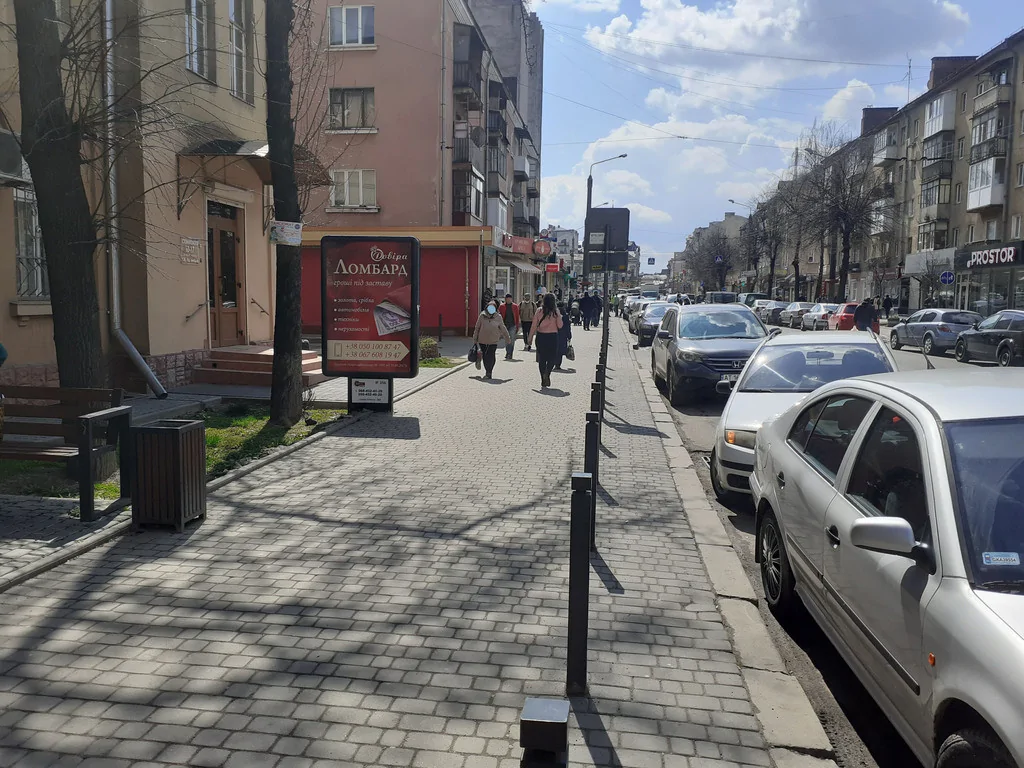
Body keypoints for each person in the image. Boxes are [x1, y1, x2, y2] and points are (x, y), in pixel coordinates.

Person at [528, 293, 563, 388]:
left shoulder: (539, 311)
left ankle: (543, 378)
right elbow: (560, 325)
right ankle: (547, 373)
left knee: (542, 359)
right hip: (552, 337)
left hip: (541, 337)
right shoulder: (556, 312)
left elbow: (534, 325)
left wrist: (530, 338)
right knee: (552, 358)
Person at [472, 300, 512, 379]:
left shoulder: (498, 317)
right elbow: (477, 327)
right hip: (482, 340)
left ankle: (489, 372)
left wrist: (507, 338)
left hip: (493, 340)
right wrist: (475, 338)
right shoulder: (482, 315)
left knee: (491, 356)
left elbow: (503, 328)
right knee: (485, 356)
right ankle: (487, 370)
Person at [498, 293, 520, 360]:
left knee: (512, 340)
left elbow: (517, 317)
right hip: (505, 325)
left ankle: (510, 353)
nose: (508, 300)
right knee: (506, 340)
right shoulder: (502, 306)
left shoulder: (515, 306)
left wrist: (517, 326)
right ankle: (508, 352)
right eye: (507, 299)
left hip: (512, 325)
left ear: (511, 299)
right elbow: (499, 316)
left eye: (509, 299)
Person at [554, 301, 573, 371]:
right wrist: (569, 335)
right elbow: (568, 327)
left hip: (554, 334)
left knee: (554, 349)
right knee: (560, 351)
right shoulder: (565, 315)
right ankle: (558, 365)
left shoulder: (554, 314)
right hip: (563, 335)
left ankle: (553, 363)